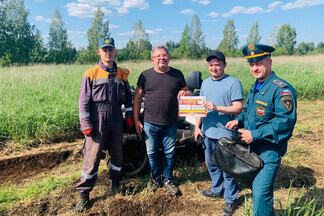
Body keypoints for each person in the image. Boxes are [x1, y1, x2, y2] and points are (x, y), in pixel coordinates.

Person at [226, 43, 297, 216]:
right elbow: (248, 112)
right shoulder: (256, 86)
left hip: (270, 149)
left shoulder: (281, 90)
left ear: (270, 63)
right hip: (253, 147)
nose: (255, 68)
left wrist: (255, 134)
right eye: (251, 64)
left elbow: (284, 122)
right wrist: (238, 121)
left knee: (260, 192)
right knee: (257, 189)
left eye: (259, 63)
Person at [75, 37, 134, 212]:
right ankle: (84, 195)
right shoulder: (90, 73)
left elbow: (128, 97)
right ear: (99, 52)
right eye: (105, 50)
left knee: (117, 154)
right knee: (92, 158)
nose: (108, 53)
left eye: (111, 50)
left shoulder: (122, 73)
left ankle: (114, 183)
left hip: (116, 117)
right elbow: (83, 101)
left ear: (115, 51)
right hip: (97, 119)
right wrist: (85, 123)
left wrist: (129, 115)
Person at [133, 44, 191, 195]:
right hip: (150, 122)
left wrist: (186, 93)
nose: (162, 58)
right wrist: (136, 120)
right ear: (152, 60)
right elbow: (137, 99)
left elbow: (187, 91)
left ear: (169, 58)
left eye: (164, 55)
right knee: (151, 152)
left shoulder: (177, 75)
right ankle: (155, 179)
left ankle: (168, 179)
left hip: (171, 122)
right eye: (158, 56)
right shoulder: (145, 75)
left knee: (169, 153)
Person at [194, 51, 244, 216]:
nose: (214, 68)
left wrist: (217, 108)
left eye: (217, 64)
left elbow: (238, 108)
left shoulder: (233, 83)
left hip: (225, 134)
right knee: (212, 165)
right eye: (211, 65)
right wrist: (197, 127)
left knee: (228, 170)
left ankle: (230, 200)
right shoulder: (206, 83)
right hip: (208, 132)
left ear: (224, 65)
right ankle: (216, 190)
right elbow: (200, 108)